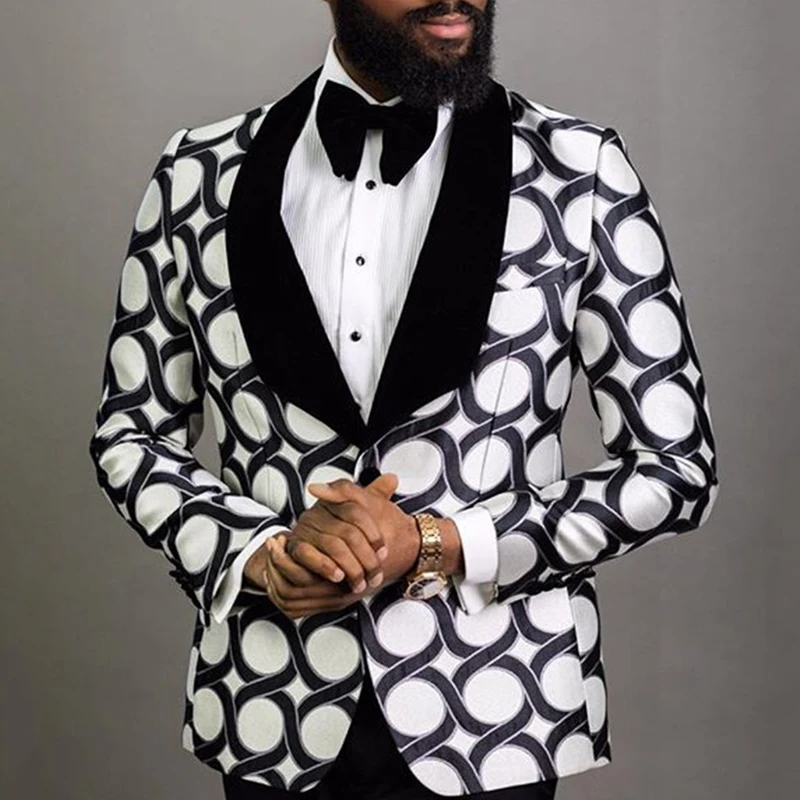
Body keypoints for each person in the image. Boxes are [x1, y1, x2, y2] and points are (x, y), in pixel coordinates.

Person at [87, 1, 720, 798]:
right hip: (272, 709)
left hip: (497, 712)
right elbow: (131, 434)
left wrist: (441, 544)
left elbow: (675, 464)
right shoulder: (197, 173)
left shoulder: (579, 170)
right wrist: (258, 554)